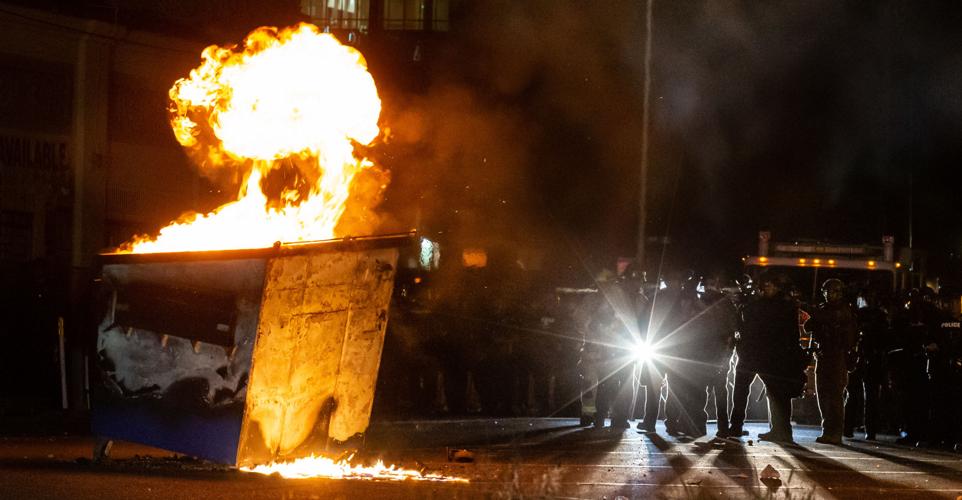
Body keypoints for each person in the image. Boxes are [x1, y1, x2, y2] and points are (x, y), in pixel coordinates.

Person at [727, 272, 807, 443]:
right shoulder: (772, 304)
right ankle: (738, 426)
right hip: (757, 353)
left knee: (777, 393)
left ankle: (781, 429)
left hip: (768, 354)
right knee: (746, 390)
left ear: (777, 287)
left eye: (770, 285)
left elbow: (790, 333)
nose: (766, 288)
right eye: (765, 285)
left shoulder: (780, 305)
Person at [805, 279, 859, 445]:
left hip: (837, 356)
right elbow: (809, 326)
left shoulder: (844, 311)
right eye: (828, 291)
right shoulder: (823, 309)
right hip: (823, 355)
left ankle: (835, 432)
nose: (831, 295)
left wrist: (811, 310)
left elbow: (845, 335)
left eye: (834, 291)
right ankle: (827, 429)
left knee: (835, 396)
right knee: (823, 394)